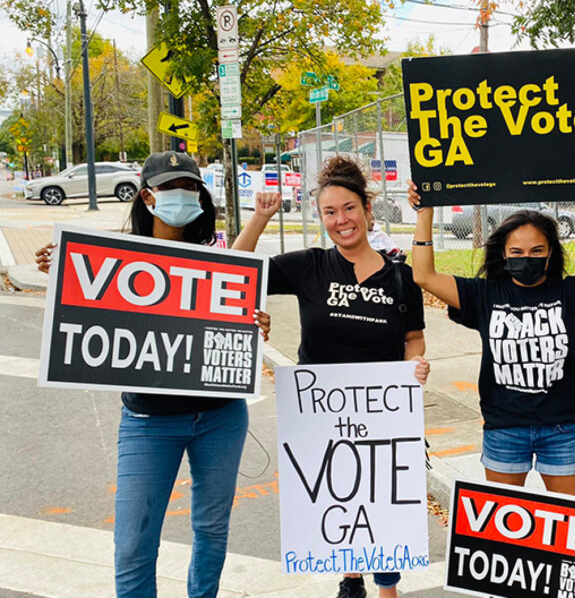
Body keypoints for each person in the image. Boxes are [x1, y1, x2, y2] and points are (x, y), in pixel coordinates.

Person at [35, 151, 271, 598]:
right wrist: (63, 264)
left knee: (211, 532)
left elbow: (239, 290)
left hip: (221, 417)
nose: (182, 196)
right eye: (170, 188)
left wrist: (255, 324)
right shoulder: (119, 258)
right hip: (148, 423)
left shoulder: (214, 256)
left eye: (190, 187)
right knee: (133, 547)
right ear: (146, 196)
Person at [231, 156, 430, 598]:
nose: (342, 220)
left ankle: (387, 587)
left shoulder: (401, 278)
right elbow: (233, 272)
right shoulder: (310, 266)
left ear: (367, 210)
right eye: (330, 212)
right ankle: (351, 580)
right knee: (341, 500)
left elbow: (413, 339)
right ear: (321, 218)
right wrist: (260, 219)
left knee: (381, 501)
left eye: (350, 209)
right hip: (322, 416)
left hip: (383, 415)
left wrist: (415, 367)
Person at [407, 182, 575, 496]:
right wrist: (424, 214)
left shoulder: (572, 292)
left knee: (566, 521)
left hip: (563, 428)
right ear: (503, 254)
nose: (527, 258)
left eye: (537, 251)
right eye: (517, 252)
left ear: (551, 253)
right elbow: (424, 275)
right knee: (506, 529)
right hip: (505, 428)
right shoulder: (484, 294)